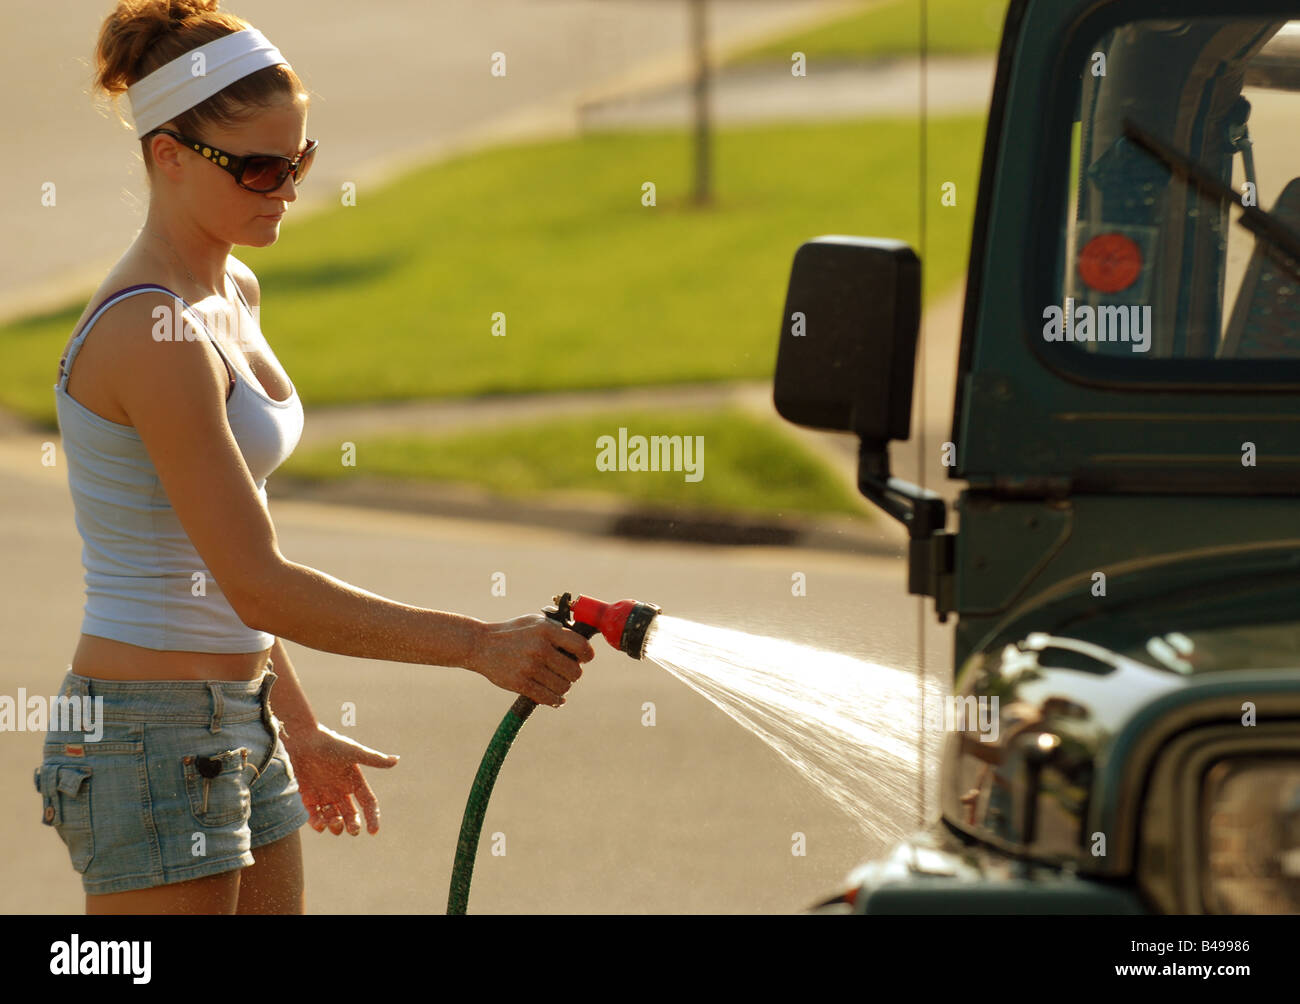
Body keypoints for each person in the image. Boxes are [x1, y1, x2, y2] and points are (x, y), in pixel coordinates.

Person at [39, 0, 595, 915]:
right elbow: (255, 580)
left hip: (235, 716)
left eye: (298, 159)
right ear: (168, 156)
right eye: (259, 167)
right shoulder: (154, 328)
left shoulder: (231, 285)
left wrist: (290, 722)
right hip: (148, 734)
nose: (287, 190)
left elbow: (222, 561)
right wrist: (478, 645)